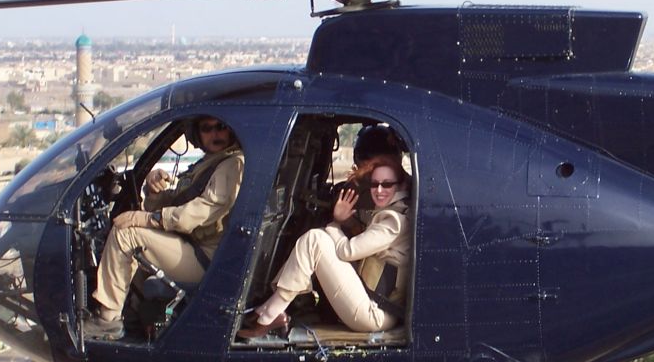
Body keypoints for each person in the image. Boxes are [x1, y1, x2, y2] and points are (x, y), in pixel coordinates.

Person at [87, 116, 245, 339]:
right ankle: (133, 318)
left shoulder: (232, 164)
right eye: (207, 128)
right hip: (196, 249)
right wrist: (154, 192)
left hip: (208, 259)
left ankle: (107, 321)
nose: (215, 134)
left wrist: (147, 219)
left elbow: (199, 212)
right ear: (197, 134)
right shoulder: (211, 163)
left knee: (126, 235)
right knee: (137, 246)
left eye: (221, 127)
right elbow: (180, 203)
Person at [239, 153, 411, 337]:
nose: (379, 190)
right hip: (375, 305)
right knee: (320, 238)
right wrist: (346, 221)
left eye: (386, 184)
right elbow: (368, 229)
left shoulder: (394, 221)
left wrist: (335, 223)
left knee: (316, 240)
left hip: (375, 314)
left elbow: (347, 251)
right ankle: (270, 309)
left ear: (400, 185)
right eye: (375, 184)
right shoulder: (394, 212)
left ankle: (270, 314)